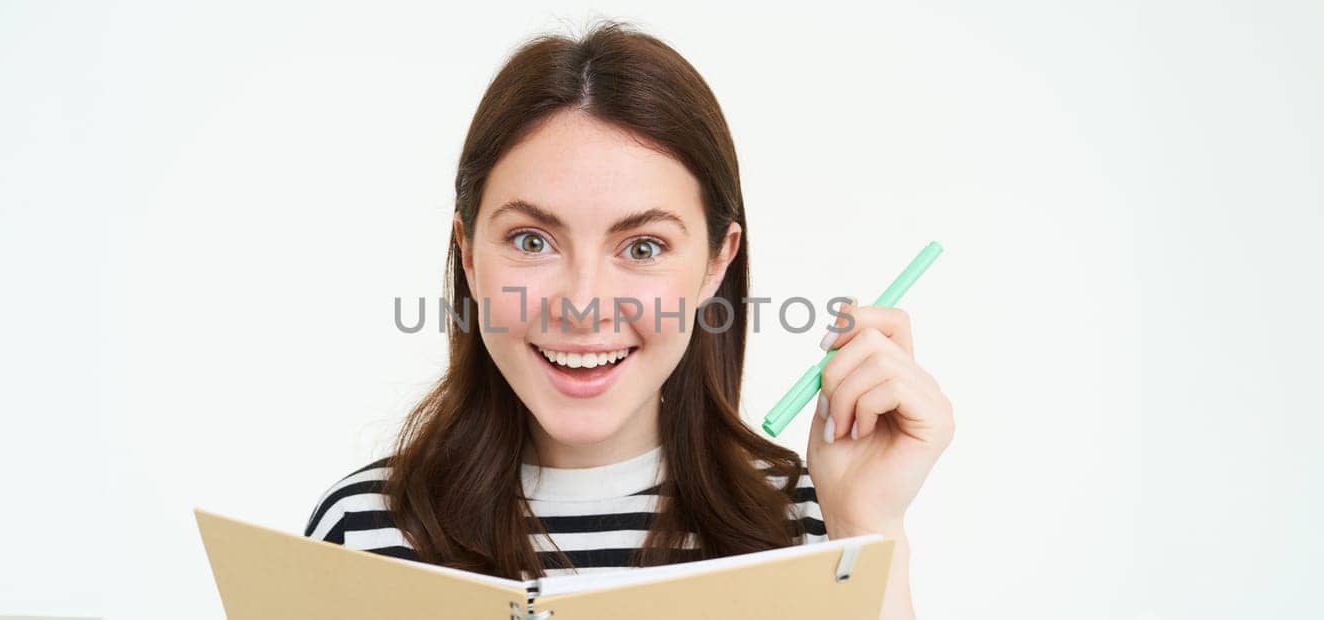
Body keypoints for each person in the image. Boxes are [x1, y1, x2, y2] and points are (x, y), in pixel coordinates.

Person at [303, 19, 954, 618]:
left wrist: (869, 530)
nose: (583, 306)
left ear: (715, 264)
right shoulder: (359, 533)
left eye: (643, 248)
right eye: (532, 241)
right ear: (469, 256)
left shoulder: (815, 528)